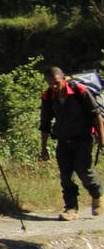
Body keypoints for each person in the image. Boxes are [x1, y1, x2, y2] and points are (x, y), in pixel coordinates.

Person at [39, 66, 102, 221]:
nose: (54, 86)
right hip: (63, 139)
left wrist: (102, 139)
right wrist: (43, 148)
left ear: (64, 78)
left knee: (84, 171)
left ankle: (97, 196)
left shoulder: (80, 91)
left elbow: (97, 116)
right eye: (50, 83)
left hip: (84, 138)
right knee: (66, 176)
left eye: (56, 82)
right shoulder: (48, 96)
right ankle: (71, 209)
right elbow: (45, 123)